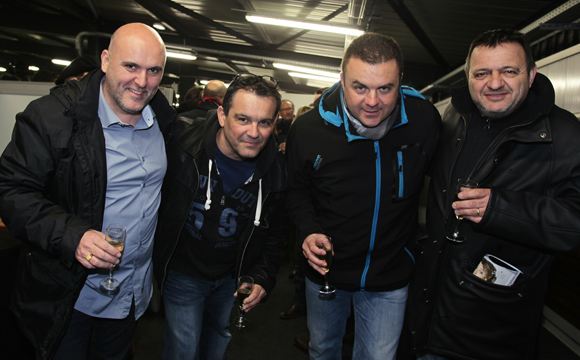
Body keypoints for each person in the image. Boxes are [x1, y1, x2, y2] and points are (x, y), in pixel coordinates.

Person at [0, 23, 175, 360]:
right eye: (131, 66)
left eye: (154, 71)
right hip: (69, 295)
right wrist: (73, 235)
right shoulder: (52, 117)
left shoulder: (164, 121)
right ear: (106, 60)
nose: (142, 82)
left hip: (130, 296)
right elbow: (12, 191)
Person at [408, 29, 580, 360]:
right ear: (469, 77)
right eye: (482, 73)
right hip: (429, 304)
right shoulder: (456, 117)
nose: (494, 83)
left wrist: (500, 208)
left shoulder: (564, 136)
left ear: (530, 75)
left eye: (509, 71)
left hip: (493, 325)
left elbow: (574, 223)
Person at [285, 32, 441, 360]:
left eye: (385, 88)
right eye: (360, 87)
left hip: (390, 273)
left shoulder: (424, 121)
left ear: (400, 82)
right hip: (327, 273)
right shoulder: (309, 130)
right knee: (323, 350)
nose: (372, 101)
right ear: (341, 81)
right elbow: (297, 190)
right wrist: (308, 230)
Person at [153, 72, 288, 360]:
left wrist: (262, 275)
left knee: (216, 345)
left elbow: (275, 234)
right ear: (222, 115)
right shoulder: (182, 143)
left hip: (231, 278)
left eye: (264, 122)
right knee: (183, 350)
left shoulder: (276, 172)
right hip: (183, 271)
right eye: (243, 119)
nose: (254, 132)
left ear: (274, 123)